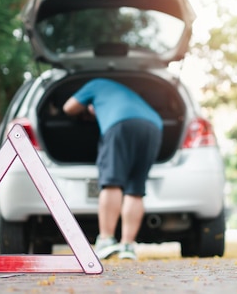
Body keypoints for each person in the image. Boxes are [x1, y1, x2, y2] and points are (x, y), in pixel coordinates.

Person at [62, 78, 162, 260]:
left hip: (120, 122)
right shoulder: (128, 93)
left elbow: (68, 107)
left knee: (112, 182)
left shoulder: (95, 84)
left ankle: (106, 240)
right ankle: (128, 246)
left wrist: (88, 109)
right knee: (135, 188)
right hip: (153, 125)